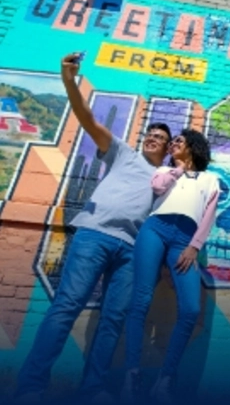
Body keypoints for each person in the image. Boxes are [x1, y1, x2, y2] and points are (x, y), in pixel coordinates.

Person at [13, 53, 172, 404]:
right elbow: (86, 118)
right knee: (66, 306)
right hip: (94, 236)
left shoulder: (168, 179)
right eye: (149, 133)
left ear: (167, 148)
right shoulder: (122, 153)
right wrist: (69, 81)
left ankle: (93, 388)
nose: (152, 138)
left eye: (159, 136)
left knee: (113, 319)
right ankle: (31, 386)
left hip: (132, 251)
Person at [121, 129, 220, 404]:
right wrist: (177, 169)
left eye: (179, 141)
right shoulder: (165, 170)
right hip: (155, 229)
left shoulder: (211, 180)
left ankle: (165, 378)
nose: (173, 143)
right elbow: (158, 188)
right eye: (172, 141)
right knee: (140, 300)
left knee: (190, 309)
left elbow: (208, 217)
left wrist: (194, 246)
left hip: (185, 239)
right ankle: (132, 373)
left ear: (194, 147)